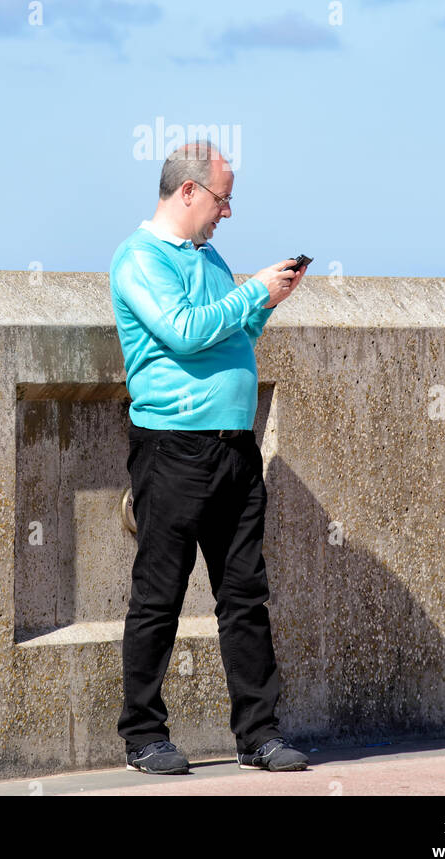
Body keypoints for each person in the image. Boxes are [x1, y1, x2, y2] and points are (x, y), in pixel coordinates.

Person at [109, 140, 309, 774]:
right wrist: (252, 292)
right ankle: (144, 736)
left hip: (235, 449)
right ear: (188, 191)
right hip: (173, 449)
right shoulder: (138, 260)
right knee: (158, 596)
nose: (228, 212)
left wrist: (265, 303)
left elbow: (234, 332)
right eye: (223, 198)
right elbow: (186, 331)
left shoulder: (209, 257)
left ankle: (260, 734)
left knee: (245, 596)